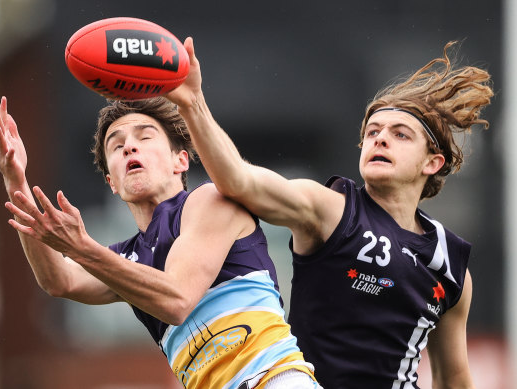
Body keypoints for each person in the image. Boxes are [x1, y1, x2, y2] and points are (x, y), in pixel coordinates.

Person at [166, 38, 493, 388]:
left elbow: (453, 378)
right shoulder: (331, 209)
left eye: (400, 134)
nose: (380, 139)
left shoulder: (450, 265)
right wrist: (192, 104)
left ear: (433, 162)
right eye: (372, 132)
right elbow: (239, 181)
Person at [0, 96, 322, 389]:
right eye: (116, 145)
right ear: (112, 182)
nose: (129, 147)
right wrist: (15, 180)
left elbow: (177, 299)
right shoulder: (125, 259)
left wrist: (82, 248)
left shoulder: (210, 201)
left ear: (180, 160)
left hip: (275, 379)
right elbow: (58, 279)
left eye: (145, 137)